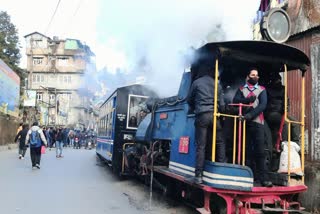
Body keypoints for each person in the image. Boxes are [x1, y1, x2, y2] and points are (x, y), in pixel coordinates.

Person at [233, 67, 273, 187]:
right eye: (253, 75)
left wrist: (249, 115)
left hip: (257, 122)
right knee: (246, 151)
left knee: (260, 151)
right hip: (244, 123)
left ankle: (264, 179)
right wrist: (247, 100)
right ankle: (249, 177)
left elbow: (262, 106)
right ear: (248, 77)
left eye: (257, 75)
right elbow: (235, 100)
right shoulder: (241, 89)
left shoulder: (262, 90)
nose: (256, 77)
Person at [187, 63, 226, 184]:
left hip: (202, 115)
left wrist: (195, 108)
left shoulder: (197, 82)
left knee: (201, 146)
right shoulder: (217, 84)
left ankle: (198, 175)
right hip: (215, 116)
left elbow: (189, 99)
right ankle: (221, 169)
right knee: (220, 142)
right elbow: (222, 104)